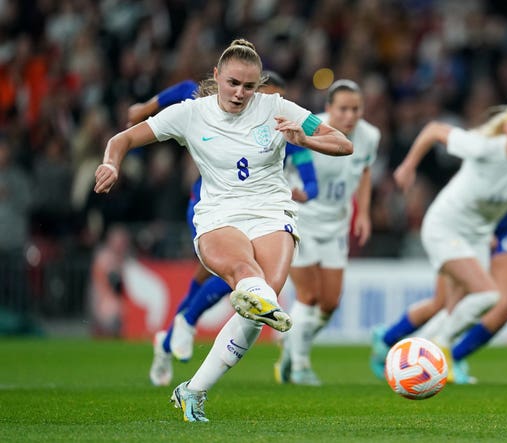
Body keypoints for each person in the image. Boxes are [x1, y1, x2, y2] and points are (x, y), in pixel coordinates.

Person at [94, 39, 352, 422]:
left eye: (249, 86)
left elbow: (342, 142)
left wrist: (306, 139)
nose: (240, 93)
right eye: (232, 83)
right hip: (219, 214)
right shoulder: (190, 113)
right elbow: (124, 138)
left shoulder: (276, 107)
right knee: (249, 280)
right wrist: (112, 164)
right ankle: (220, 313)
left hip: (272, 212)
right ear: (216, 77)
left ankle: (192, 391)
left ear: (259, 84)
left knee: (260, 304)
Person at [133, 71, 319, 387]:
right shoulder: (220, 109)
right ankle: (185, 324)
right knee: (232, 274)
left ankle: (169, 340)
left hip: (260, 213)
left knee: (228, 279)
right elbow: (187, 88)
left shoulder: (289, 127)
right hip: (212, 205)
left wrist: (305, 191)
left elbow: (311, 178)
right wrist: (146, 107)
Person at [370, 95, 507, 384]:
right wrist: (408, 166)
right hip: (445, 226)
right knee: (488, 295)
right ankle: (434, 349)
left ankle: (411, 353)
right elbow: (435, 129)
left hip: (480, 235)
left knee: (454, 307)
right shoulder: (485, 147)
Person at [274, 80, 380, 386]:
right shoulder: (307, 129)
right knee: (309, 296)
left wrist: (365, 211)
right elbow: (277, 164)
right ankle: (300, 366)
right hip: (302, 219)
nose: (350, 115)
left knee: (330, 302)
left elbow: (365, 170)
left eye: (356, 109)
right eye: (343, 109)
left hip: (337, 223)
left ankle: (292, 345)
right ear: (328, 109)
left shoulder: (370, 136)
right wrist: (287, 191)